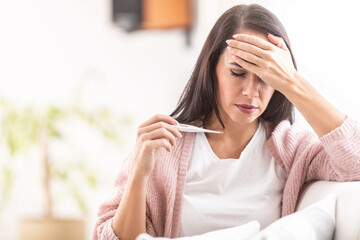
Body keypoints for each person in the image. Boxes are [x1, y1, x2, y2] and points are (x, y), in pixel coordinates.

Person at [93, 4, 360, 240]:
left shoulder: (294, 150)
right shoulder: (165, 147)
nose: (250, 92)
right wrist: (139, 175)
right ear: (212, 69)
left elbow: (355, 164)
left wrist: (292, 81)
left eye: (266, 78)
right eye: (237, 72)